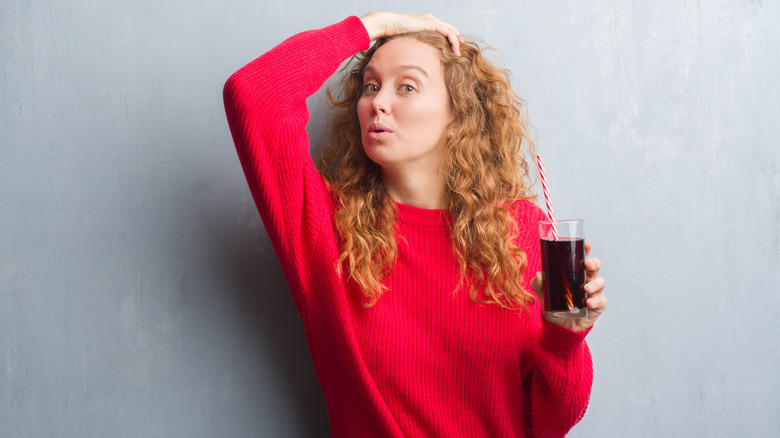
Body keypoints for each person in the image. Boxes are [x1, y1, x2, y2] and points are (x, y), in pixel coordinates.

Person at [223, 11, 607, 437]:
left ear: (457, 118)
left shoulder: (525, 233)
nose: (377, 102)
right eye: (371, 86)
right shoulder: (327, 229)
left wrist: (566, 338)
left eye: (406, 86)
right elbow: (252, 94)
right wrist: (375, 25)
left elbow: (552, 424)